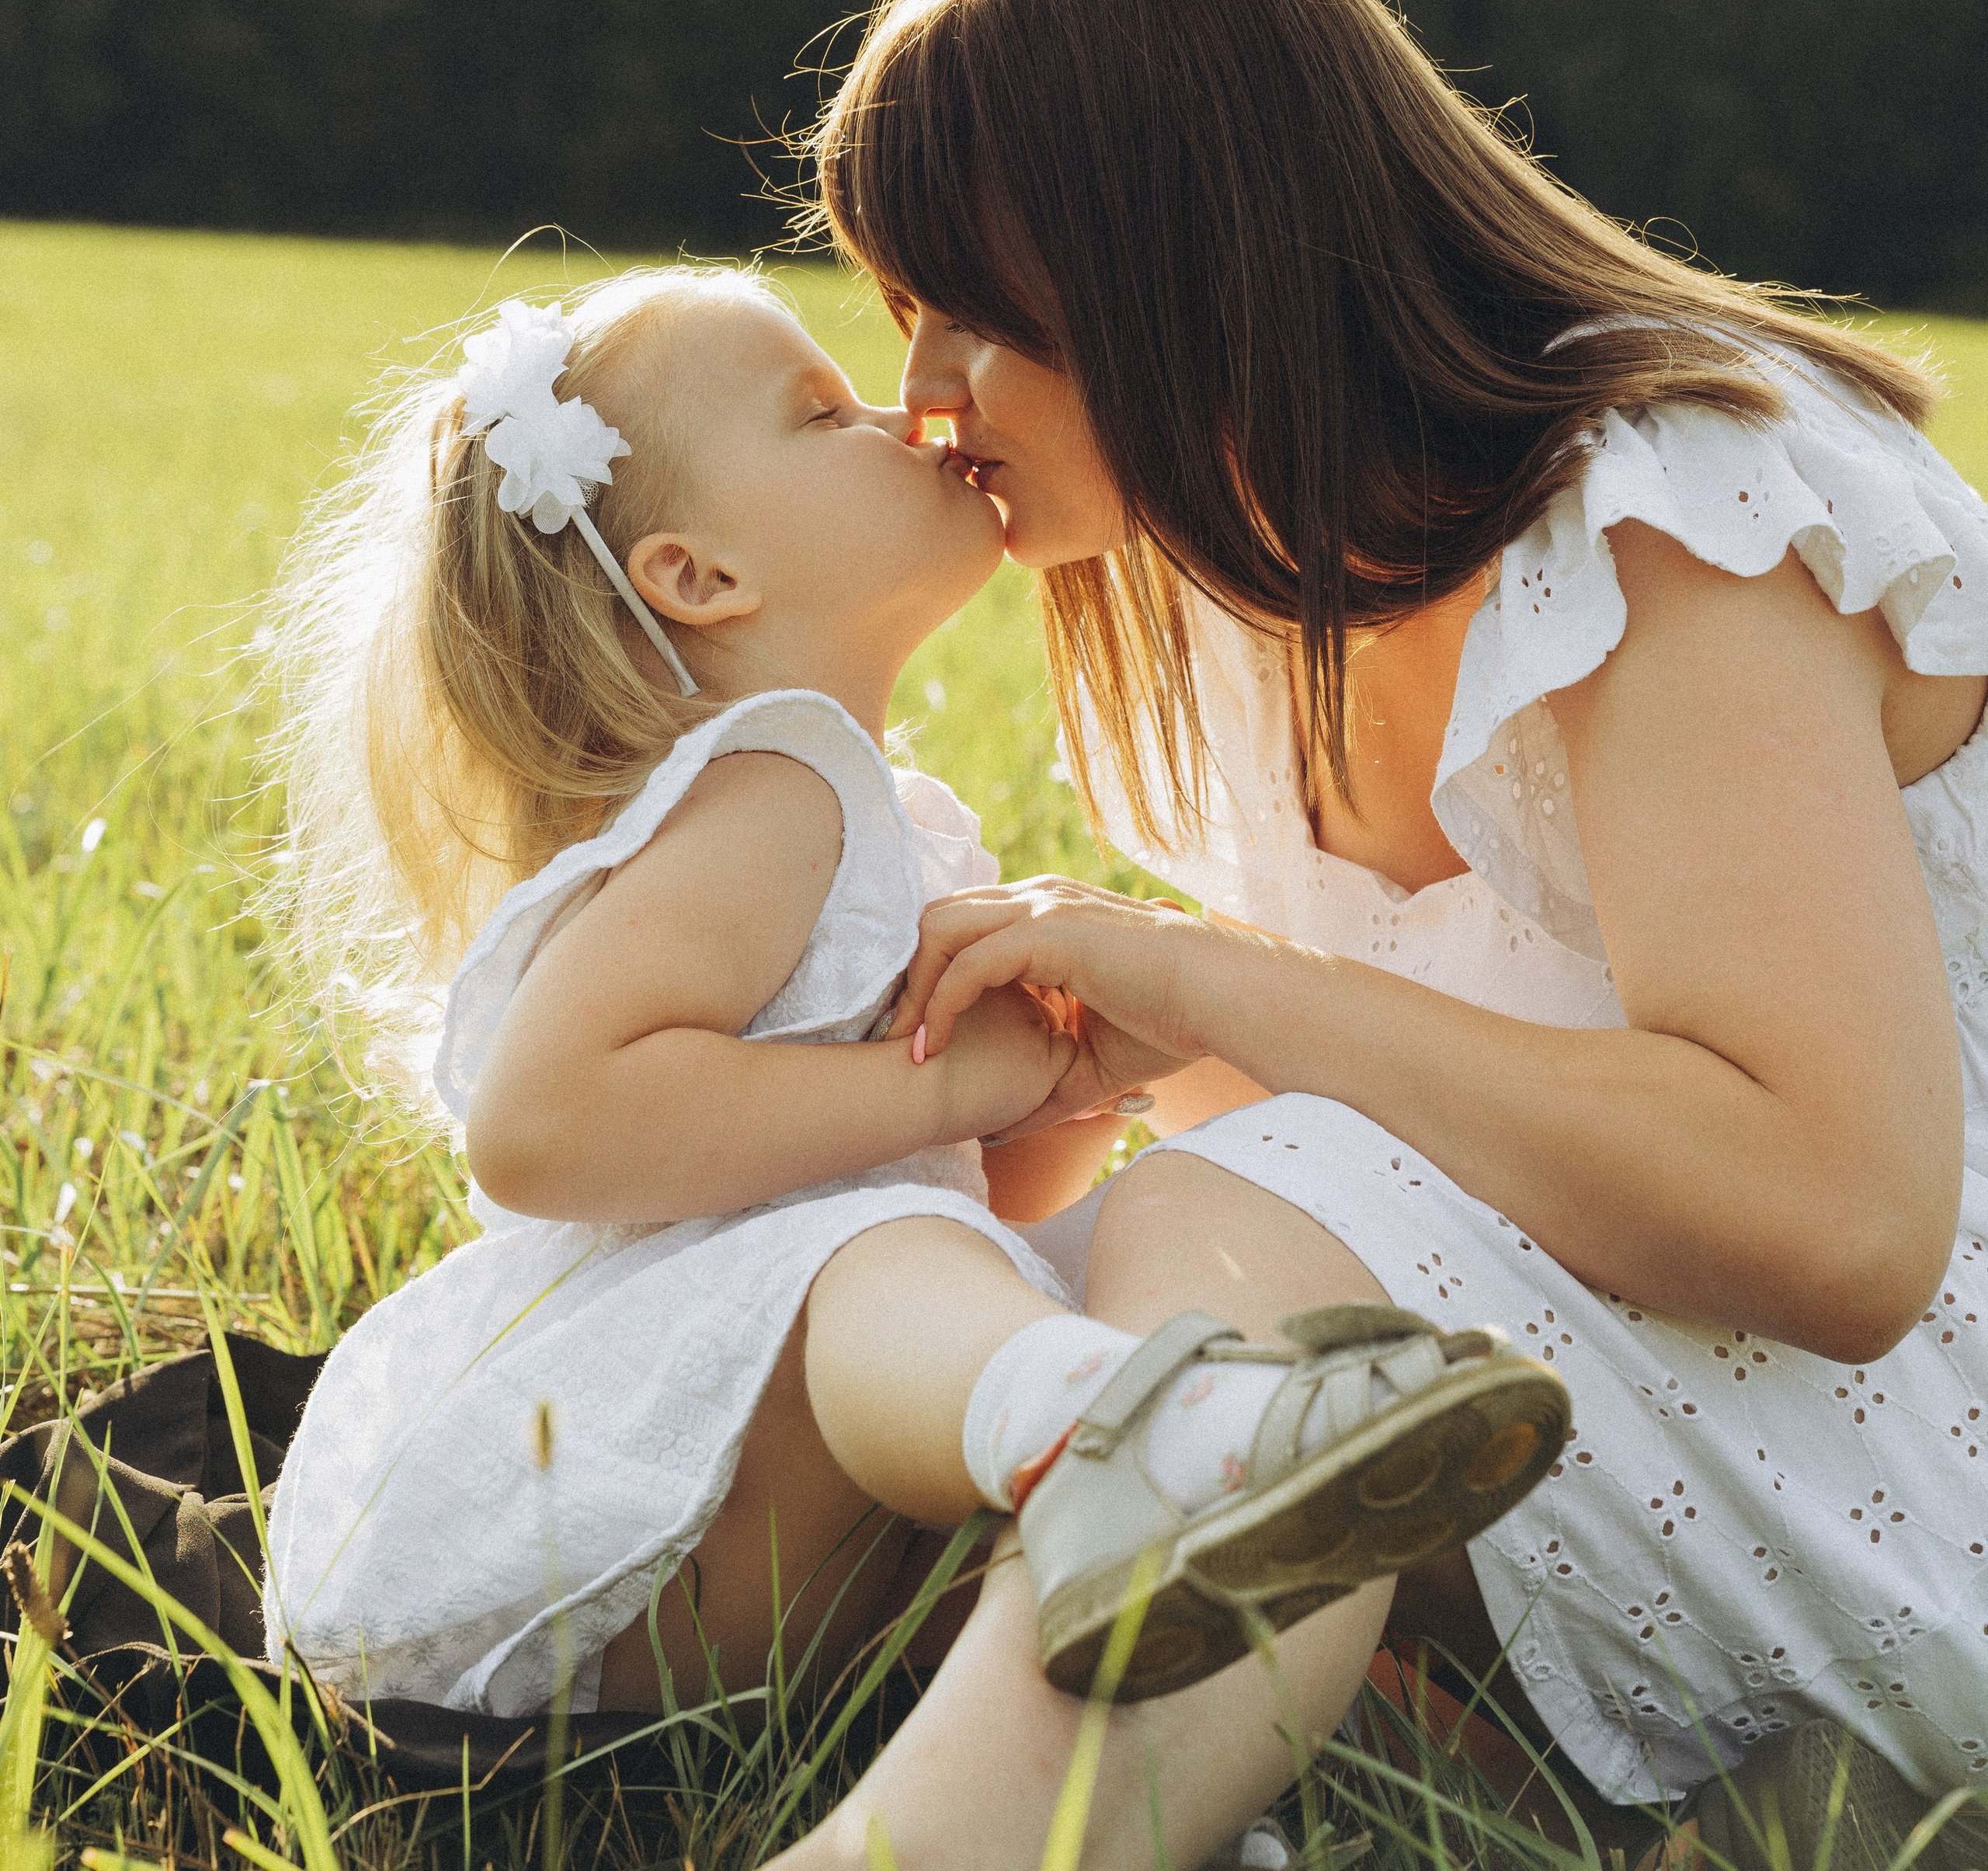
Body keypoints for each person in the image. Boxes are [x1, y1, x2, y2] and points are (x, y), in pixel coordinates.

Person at [784, 0, 1988, 1869]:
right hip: (1638, 1386)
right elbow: (1472, 1125)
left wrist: (1207, 993)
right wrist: (1051, 1091)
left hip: (1918, 1461)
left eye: (973, 316)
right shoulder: (1250, 611)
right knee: (990, 1313)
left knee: (1236, 1266)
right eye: (902, 324)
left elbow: (1839, 1218)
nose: (923, 406)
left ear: (1174, 254)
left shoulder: (1665, 511)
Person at [257, 266, 1559, 1732]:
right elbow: (545, 1124)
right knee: (887, 1252)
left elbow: (977, 1185)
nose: (906, 414)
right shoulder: (770, 784)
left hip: (772, 1534)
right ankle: (1141, 1439)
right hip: (620, 1511)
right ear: (698, 577)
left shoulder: (873, 808)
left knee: (1061, 1226)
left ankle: (1258, 1645)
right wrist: (941, 1089)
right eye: (824, 412)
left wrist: (1058, 1088)